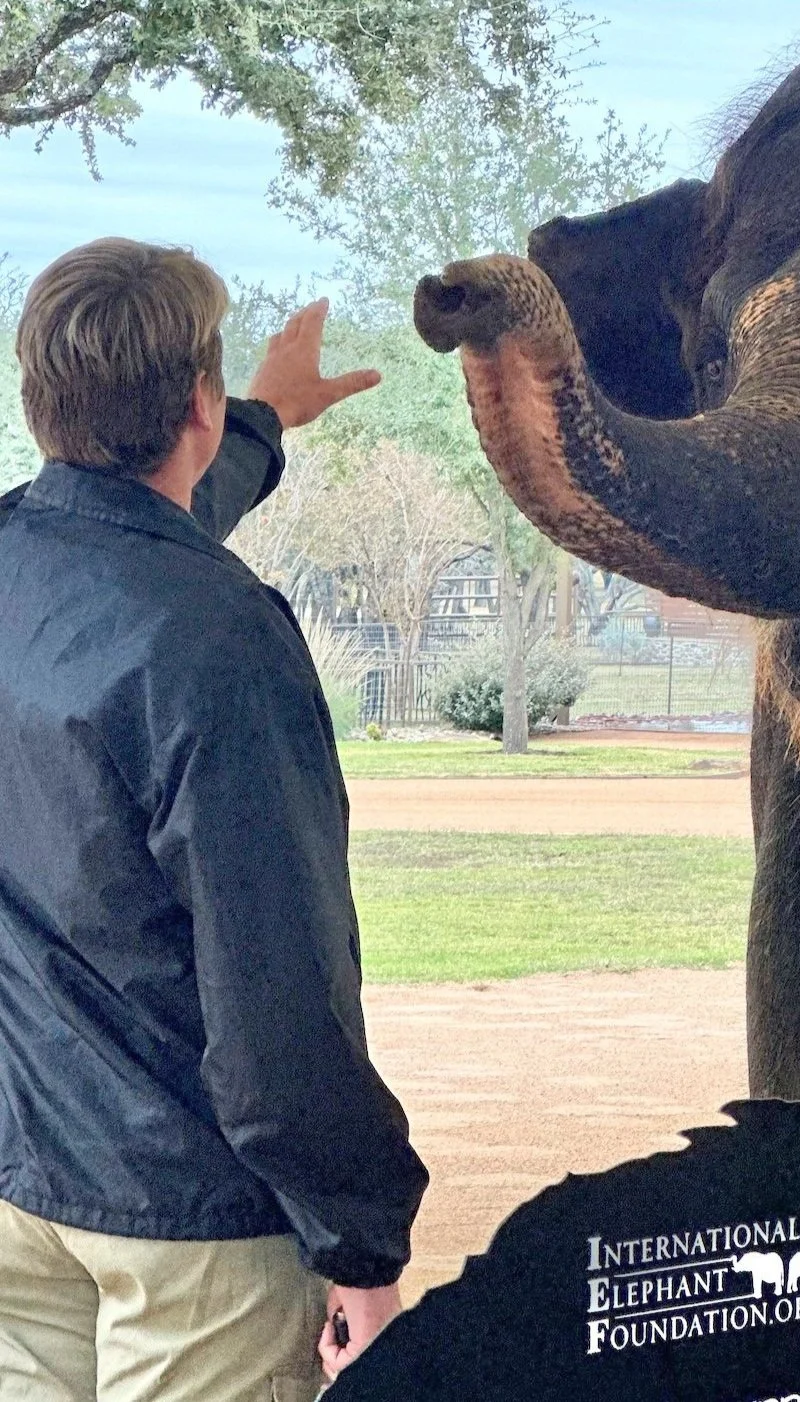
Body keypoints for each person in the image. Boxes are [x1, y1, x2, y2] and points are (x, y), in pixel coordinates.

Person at [0, 238, 429, 1401]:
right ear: (197, 399)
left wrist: (266, 418)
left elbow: (121, 528)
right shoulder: (222, 637)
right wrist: (360, 1246)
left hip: (18, 1188)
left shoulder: (17, 558)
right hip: (186, 1221)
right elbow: (275, 979)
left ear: (37, 401)